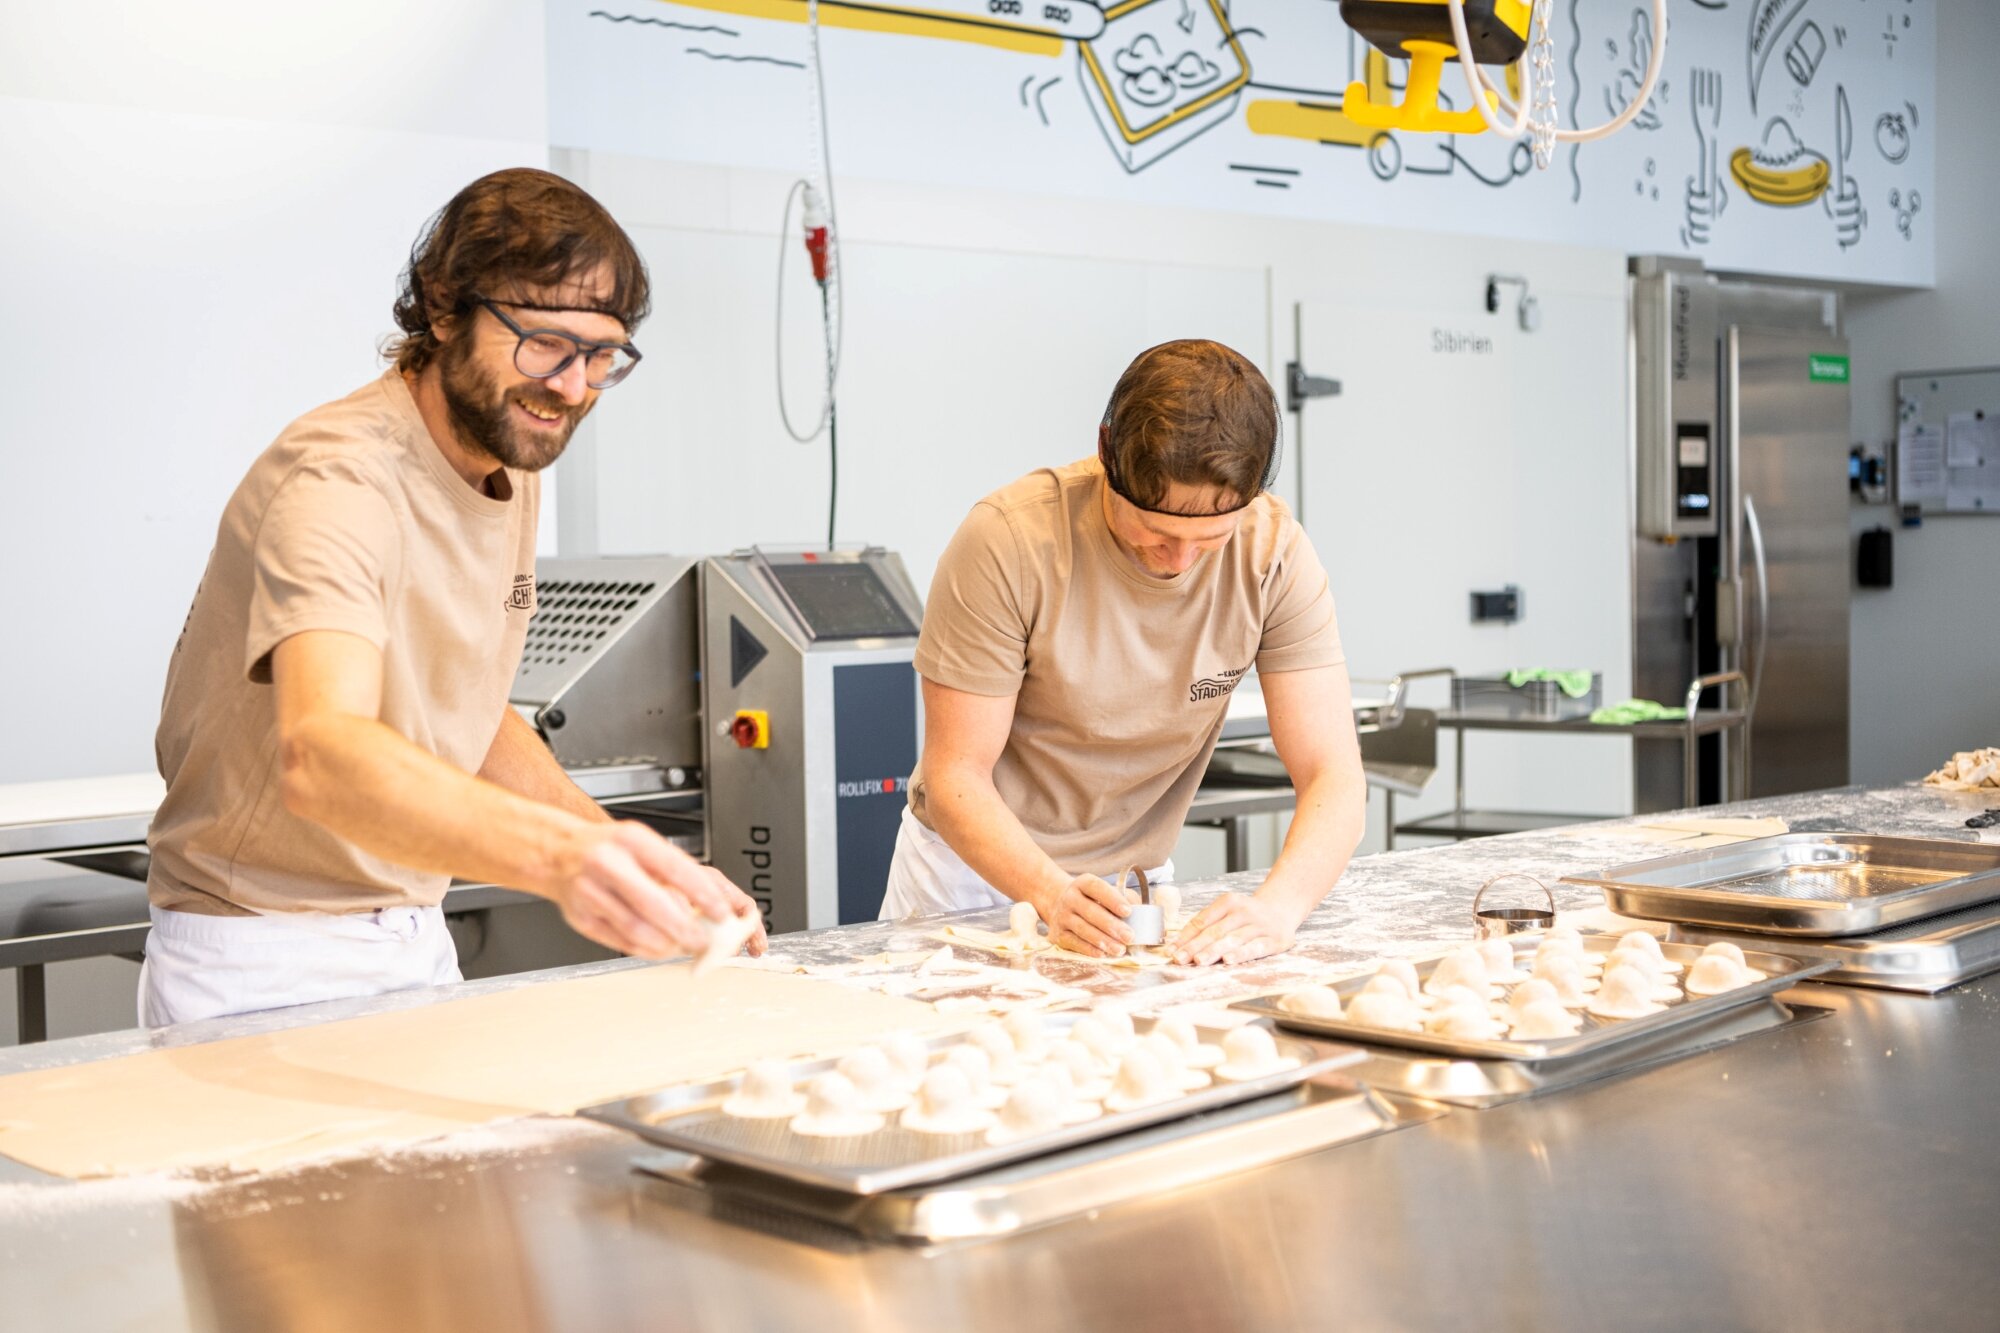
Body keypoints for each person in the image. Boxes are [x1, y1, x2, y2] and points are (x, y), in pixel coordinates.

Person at [142, 168, 763, 1027]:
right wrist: (565, 860)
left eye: (600, 355)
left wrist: (637, 859)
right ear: (443, 310)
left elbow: (466, 712)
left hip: (411, 934)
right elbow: (323, 754)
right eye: (545, 341)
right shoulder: (341, 477)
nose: (572, 387)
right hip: (266, 952)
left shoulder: (506, 454)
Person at [882, 339, 1365, 966]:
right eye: (1157, 533)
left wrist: (1278, 907)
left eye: (1209, 539)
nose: (1181, 560)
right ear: (1108, 453)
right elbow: (955, 777)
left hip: (1131, 889)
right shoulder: (1009, 541)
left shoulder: (1272, 553)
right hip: (972, 882)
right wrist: (1050, 896)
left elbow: (1333, 772)